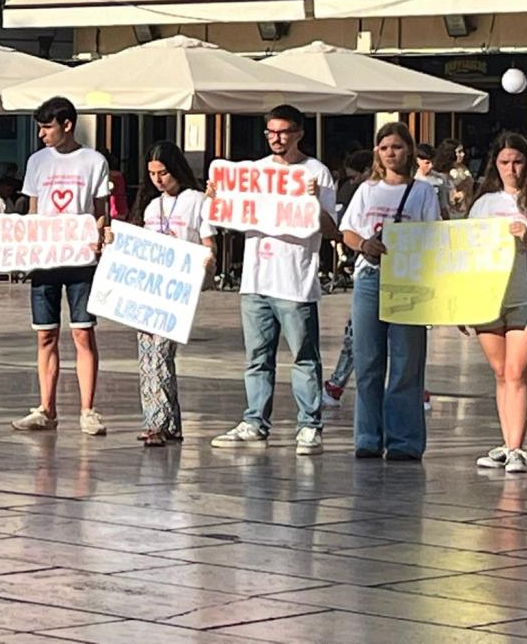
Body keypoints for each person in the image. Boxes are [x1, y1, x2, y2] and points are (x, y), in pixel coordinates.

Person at [211, 104, 337, 455]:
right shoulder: (255, 172)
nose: (276, 139)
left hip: (295, 281)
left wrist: (314, 203)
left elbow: (331, 231)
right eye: (270, 132)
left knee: (304, 356)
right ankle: (254, 420)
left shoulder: (316, 173)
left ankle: (309, 424)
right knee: (257, 356)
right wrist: (216, 201)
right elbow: (230, 216)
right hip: (255, 279)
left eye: (283, 132)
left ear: (299, 133)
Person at [340, 122, 441, 461]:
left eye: (396, 147)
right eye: (384, 148)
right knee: (368, 360)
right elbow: (347, 231)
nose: (391, 153)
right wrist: (364, 244)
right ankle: (368, 436)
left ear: (409, 150)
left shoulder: (424, 191)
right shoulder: (368, 190)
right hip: (370, 277)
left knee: (406, 362)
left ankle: (404, 441)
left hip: (409, 281)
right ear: (377, 153)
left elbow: (434, 235)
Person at [11, 96, 108, 434]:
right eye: (39, 128)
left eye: (47, 127)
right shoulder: (37, 162)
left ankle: (87, 409)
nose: (41, 134)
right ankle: (46, 408)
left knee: (83, 332)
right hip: (45, 258)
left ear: (67, 125)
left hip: (80, 258)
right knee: (45, 335)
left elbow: (100, 211)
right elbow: (33, 211)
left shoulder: (93, 161)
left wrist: (96, 236)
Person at [127, 141, 214, 447]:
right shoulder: (152, 206)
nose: (158, 180)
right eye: (152, 174)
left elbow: (207, 241)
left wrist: (207, 262)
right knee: (146, 354)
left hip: (178, 288)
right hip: (149, 286)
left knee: (162, 354)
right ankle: (169, 422)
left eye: (163, 173)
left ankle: (157, 422)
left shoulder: (196, 200)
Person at [468, 132, 527, 474]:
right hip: (488, 295)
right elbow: (464, 253)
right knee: (501, 372)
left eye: (517, 161)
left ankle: (516, 447)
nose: (511, 168)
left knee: (517, 370)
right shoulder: (483, 204)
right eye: (504, 162)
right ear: (494, 166)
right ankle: (507, 440)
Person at [324, 148, 373, 407]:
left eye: (355, 177)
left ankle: (336, 384)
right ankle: (336, 383)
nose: (352, 183)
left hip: (395, 273)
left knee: (359, 334)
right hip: (366, 271)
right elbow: (346, 231)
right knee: (357, 332)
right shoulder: (362, 194)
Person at [436, 139, 474, 220]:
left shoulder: (463, 168)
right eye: (459, 152)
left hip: (465, 213)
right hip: (450, 215)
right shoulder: (442, 175)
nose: (463, 154)